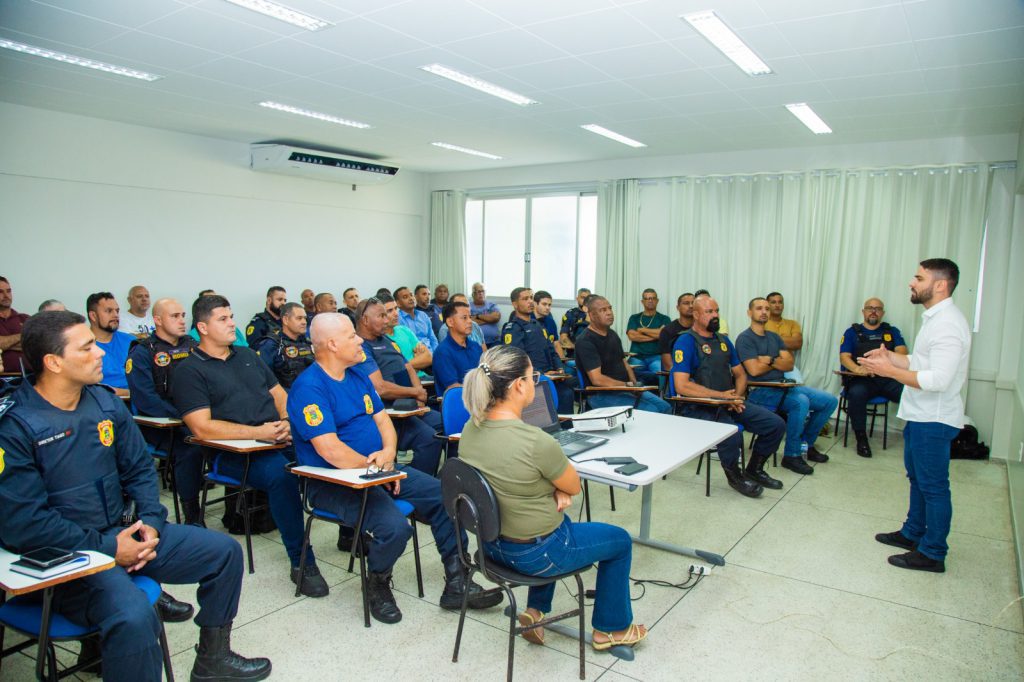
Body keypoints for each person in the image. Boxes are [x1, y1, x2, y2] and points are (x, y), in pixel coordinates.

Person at [0, 311, 270, 682]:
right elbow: (24, 525)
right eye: (87, 347)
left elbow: (140, 470)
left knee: (223, 554)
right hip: (67, 557)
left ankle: (213, 658)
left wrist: (152, 524)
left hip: (124, 533)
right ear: (54, 362)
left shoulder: (104, 403)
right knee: (133, 614)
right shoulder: (16, 425)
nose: (100, 353)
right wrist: (110, 548)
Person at [286, 313, 502, 623]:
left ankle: (458, 582)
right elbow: (329, 450)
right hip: (334, 481)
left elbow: (382, 420)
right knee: (394, 528)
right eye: (351, 336)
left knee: (449, 497)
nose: (359, 340)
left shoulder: (356, 374)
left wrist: (388, 453)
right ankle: (377, 584)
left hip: (378, 470)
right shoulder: (310, 387)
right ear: (332, 344)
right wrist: (378, 471)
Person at [458, 345, 648, 651]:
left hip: (491, 549)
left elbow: (507, 480)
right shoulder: (535, 440)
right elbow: (574, 487)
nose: (536, 382)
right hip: (537, 555)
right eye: (533, 376)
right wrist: (557, 488)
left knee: (557, 523)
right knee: (620, 540)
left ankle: (535, 613)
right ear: (519, 385)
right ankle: (611, 630)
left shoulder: (470, 429)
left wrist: (549, 489)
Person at [172, 294, 329, 597]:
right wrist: (259, 432)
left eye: (231, 316)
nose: (232, 323)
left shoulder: (246, 355)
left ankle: (353, 533)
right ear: (202, 327)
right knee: (282, 476)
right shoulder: (189, 370)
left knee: (329, 451)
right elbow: (201, 426)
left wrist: (285, 422)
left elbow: (279, 395)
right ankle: (302, 562)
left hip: (274, 437)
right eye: (223, 319)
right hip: (230, 453)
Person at [859, 259, 971, 573]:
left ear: (940, 285)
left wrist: (888, 371)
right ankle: (913, 533)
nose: (912, 282)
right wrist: (890, 356)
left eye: (919, 278)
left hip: (933, 419)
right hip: (920, 415)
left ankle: (933, 552)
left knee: (933, 486)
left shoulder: (948, 323)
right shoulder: (934, 319)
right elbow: (920, 361)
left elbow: (938, 379)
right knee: (917, 479)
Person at [671, 297, 786, 497]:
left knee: (775, 424)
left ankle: (754, 469)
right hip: (698, 407)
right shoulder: (685, 341)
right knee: (732, 433)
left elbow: (741, 374)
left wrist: (736, 398)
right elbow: (682, 385)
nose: (715, 315)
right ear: (696, 315)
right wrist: (722, 397)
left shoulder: (723, 341)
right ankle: (736, 476)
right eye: (709, 312)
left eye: (717, 310)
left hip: (728, 402)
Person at [126, 298, 206, 527]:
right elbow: (145, 399)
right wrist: (185, 416)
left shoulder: (193, 345)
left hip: (196, 416)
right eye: (175, 316)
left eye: (183, 315)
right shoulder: (142, 353)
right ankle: (192, 513)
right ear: (158, 320)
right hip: (162, 423)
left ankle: (237, 510)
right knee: (191, 447)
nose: (182, 321)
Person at [737, 297, 837, 476]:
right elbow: (754, 369)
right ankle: (791, 455)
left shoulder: (774, 337)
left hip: (783, 386)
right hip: (761, 390)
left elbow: (789, 364)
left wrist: (769, 359)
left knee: (829, 401)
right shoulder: (745, 339)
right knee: (800, 402)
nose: (764, 311)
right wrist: (777, 361)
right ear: (749, 313)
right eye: (759, 308)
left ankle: (805, 444)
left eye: (767, 308)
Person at [355, 298, 443, 476]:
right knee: (429, 439)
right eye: (381, 316)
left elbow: (408, 367)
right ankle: (415, 483)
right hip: (389, 413)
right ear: (365, 320)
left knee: (447, 424)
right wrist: (414, 392)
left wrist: (419, 396)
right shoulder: (360, 346)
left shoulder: (386, 340)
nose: (387, 320)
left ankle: (442, 477)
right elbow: (380, 388)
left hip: (410, 406)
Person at [575, 295, 671, 414]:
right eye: (603, 310)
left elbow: (625, 363)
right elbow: (597, 379)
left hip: (624, 389)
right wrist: (626, 385)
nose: (609, 313)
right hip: (601, 394)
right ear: (591, 315)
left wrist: (634, 385)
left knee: (665, 407)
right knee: (653, 411)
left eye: (610, 308)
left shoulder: (612, 335)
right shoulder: (585, 341)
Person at [839, 297, 907, 457]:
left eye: (877, 308)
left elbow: (903, 353)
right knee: (856, 394)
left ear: (882, 313)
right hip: (863, 380)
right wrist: (857, 368)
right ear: (863, 311)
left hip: (887, 377)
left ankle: (916, 434)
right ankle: (861, 439)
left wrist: (887, 362)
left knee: (911, 393)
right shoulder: (851, 332)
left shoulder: (892, 331)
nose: (873, 311)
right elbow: (844, 357)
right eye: (870, 308)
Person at [501, 287, 574, 409]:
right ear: (515, 304)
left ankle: (566, 428)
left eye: (531, 298)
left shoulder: (538, 325)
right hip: (531, 379)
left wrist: (559, 368)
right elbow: (518, 361)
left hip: (550, 376)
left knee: (568, 391)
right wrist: (542, 374)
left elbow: (552, 351)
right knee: (563, 394)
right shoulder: (513, 328)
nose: (530, 301)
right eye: (525, 299)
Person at [254, 302, 314, 390]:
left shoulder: (308, 342)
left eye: (305, 318)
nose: (304, 322)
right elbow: (261, 377)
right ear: (285, 320)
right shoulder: (272, 345)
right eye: (299, 318)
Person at [87, 291, 135, 397]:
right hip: (100, 406)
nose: (115, 315)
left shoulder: (132, 341)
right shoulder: (83, 346)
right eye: (109, 311)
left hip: (138, 405)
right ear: (93, 316)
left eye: (117, 311)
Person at [433, 300, 483, 393]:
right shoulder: (443, 352)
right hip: (457, 403)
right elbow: (453, 387)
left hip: (479, 400)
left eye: (470, 317)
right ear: (450, 322)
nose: (470, 321)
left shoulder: (475, 346)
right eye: (464, 318)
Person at [626, 288, 671, 383]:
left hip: (656, 357)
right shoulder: (634, 318)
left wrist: (642, 330)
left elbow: (663, 335)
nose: (650, 301)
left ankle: (660, 397)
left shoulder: (664, 319)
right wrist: (656, 335)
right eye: (647, 298)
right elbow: (632, 336)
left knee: (661, 378)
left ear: (657, 301)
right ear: (642, 301)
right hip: (637, 357)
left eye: (653, 298)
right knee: (633, 380)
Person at [381, 293, 432, 376]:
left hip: (424, 379)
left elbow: (428, 358)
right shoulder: (380, 339)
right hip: (403, 383)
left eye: (396, 308)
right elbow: (392, 371)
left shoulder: (404, 330)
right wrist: (418, 362)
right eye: (390, 311)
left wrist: (404, 367)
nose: (396, 313)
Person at [0, 276, 29, 373]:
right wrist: (23, 336)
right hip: (3, 381)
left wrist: (5, 344)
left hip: (29, 379)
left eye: (8, 291)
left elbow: (36, 344)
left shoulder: (25, 319)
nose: (6, 295)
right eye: (0, 292)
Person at [396, 286, 438, 352]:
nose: (411, 298)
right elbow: (404, 345)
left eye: (411, 295)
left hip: (431, 354)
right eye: (405, 297)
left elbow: (432, 338)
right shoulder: (397, 319)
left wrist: (436, 355)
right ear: (398, 303)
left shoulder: (423, 315)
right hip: (413, 357)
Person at [659, 293, 694, 370]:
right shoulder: (667, 331)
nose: (691, 306)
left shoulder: (702, 329)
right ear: (678, 307)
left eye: (693, 303)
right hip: (678, 374)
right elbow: (668, 365)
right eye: (686, 303)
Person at [532, 290, 565, 361]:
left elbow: (556, 344)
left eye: (549, 305)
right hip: (534, 361)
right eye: (544, 304)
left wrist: (563, 362)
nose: (547, 307)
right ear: (535, 304)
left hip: (550, 359)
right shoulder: (527, 320)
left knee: (571, 368)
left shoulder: (550, 321)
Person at [559, 287, 591, 355]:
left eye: (587, 298)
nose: (585, 300)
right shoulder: (570, 314)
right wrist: (576, 347)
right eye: (582, 297)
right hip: (574, 352)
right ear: (577, 299)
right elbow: (563, 337)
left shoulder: (595, 314)